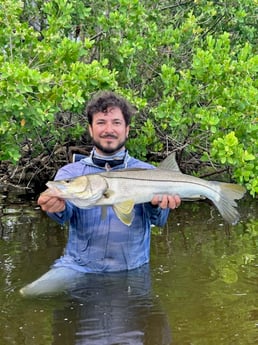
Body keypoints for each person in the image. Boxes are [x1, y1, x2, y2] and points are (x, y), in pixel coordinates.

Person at [20, 91, 181, 297]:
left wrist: (158, 205)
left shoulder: (149, 172)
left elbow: (159, 221)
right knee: (28, 295)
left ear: (127, 129)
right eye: (101, 122)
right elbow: (64, 214)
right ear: (90, 129)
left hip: (133, 271)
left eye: (116, 122)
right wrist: (55, 208)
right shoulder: (70, 173)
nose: (109, 130)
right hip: (78, 267)